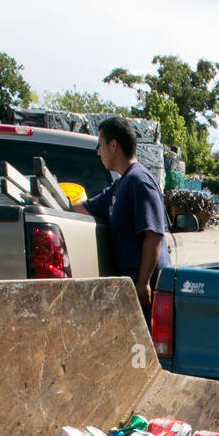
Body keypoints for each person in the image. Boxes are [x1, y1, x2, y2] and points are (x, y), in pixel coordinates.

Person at [72, 115, 170, 319]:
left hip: (147, 291)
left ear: (113, 145)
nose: (98, 153)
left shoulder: (140, 182)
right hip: (131, 287)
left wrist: (143, 283)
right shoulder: (120, 185)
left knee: (145, 349)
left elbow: (153, 235)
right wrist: (48, 205)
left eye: (100, 145)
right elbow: (86, 208)